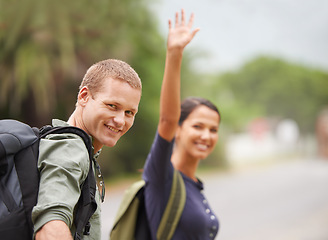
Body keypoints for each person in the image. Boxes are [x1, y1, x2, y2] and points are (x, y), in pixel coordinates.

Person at [32, 59, 142, 240]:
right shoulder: (70, 148)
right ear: (84, 96)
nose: (120, 120)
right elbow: (50, 227)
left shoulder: (83, 150)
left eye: (129, 112)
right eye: (112, 106)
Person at [142, 9, 220, 239]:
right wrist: (174, 53)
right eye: (198, 126)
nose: (206, 135)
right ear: (178, 129)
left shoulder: (195, 185)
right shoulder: (161, 175)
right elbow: (167, 118)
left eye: (213, 129)